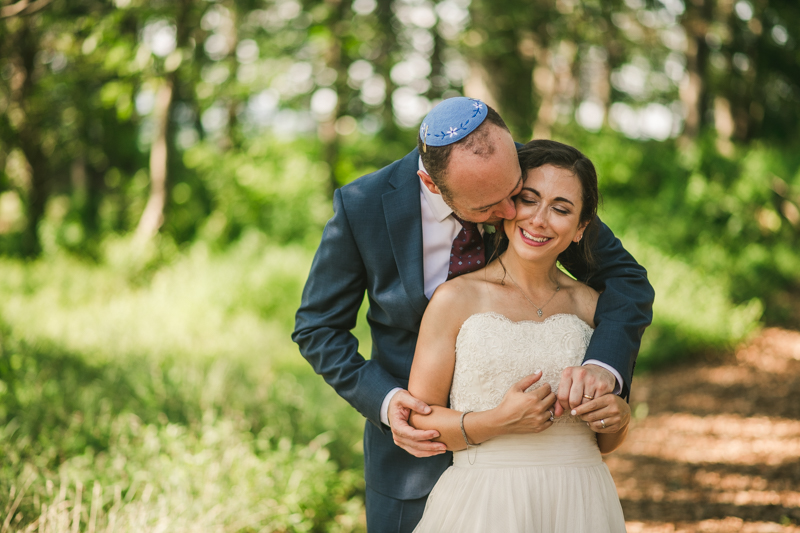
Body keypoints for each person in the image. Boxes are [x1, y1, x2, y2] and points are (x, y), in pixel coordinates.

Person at [293, 97, 653, 532]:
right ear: (431, 184)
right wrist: (388, 404)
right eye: (486, 207)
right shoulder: (363, 207)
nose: (509, 213)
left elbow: (626, 281)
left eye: (512, 194)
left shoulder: (532, 177)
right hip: (412, 459)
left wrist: (603, 368)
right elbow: (318, 327)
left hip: (555, 482)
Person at [409, 139, 630, 532]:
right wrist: (496, 421)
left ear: (581, 229)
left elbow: (608, 437)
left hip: (580, 500)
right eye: (529, 200)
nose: (540, 219)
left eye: (561, 209)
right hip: (485, 502)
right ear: (507, 206)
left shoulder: (594, 306)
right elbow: (419, 421)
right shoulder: (456, 298)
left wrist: (618, 417)